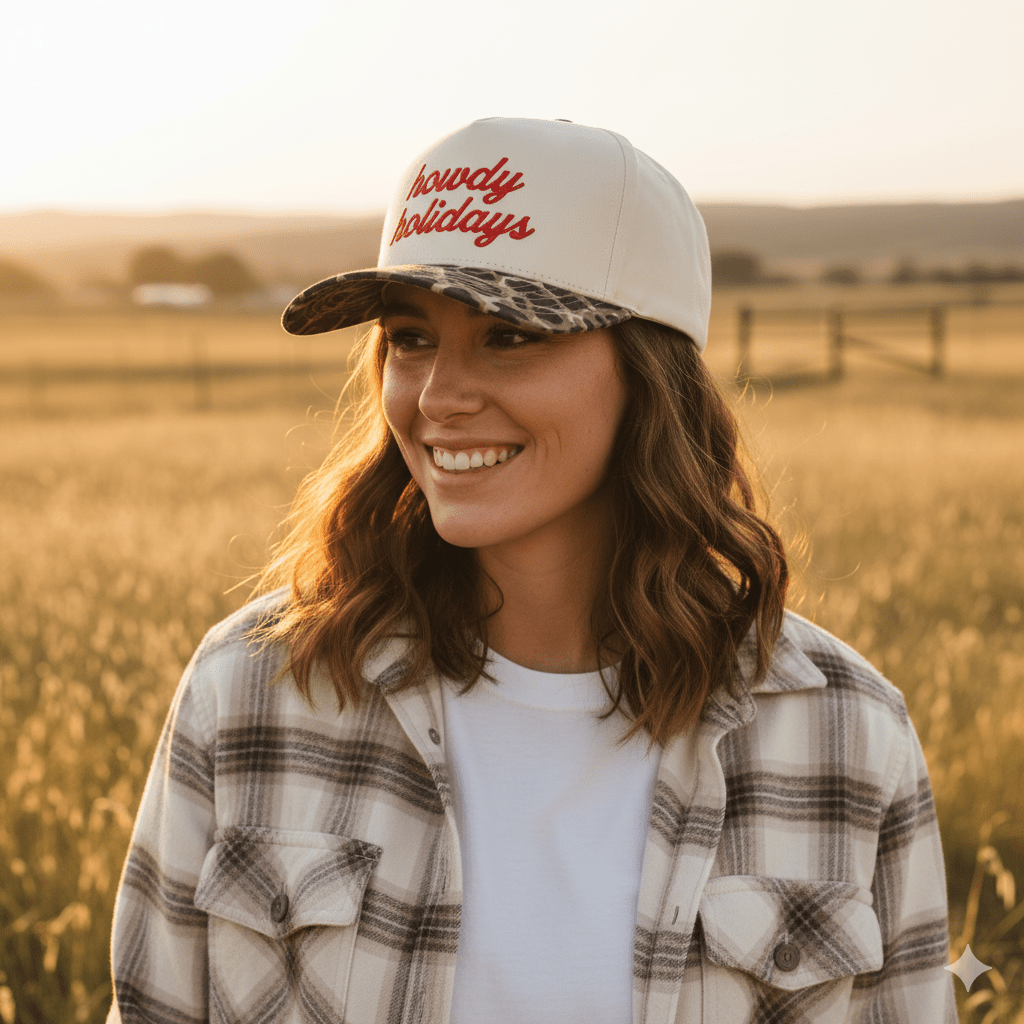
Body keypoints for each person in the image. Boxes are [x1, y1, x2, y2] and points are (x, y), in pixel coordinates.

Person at [106, 117, 957, 1023]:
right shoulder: (254, 693)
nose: (438, 397)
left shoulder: (842, 733)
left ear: (649, 373)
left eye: (510, 335)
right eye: (411, 336)